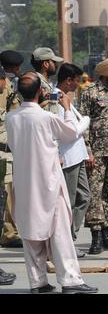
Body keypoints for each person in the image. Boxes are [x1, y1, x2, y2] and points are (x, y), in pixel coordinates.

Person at [6, 71, 97, 293]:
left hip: (24, 183)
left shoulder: (11, 117)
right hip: (48, 182)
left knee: (30, 233)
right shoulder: (46, 117)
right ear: (39, 91)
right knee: (60, 233)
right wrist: (68, 109)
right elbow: (72, 132)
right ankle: (70, 281)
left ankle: (38, 283)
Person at [79, 56, 108, 255]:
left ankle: (107, 232)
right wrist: (87, 151)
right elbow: (83, 123)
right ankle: (96, 237)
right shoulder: (90, 92)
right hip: (96, 153)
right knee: (95, 195)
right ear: (106, 73)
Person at [55, 63, 91, 258]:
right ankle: (65, 243)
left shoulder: (67, 98)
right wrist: (84, 122)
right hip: (67, 158)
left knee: (85, 197)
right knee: (67, 203)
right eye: (77, 81)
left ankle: (69, 237)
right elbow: (69, 132)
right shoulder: (57, 99)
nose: (78, 84)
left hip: (78, 155)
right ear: (69, 80)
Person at [0, 50, 24, 248]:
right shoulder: (5, 87)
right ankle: (8, 232)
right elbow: (12, 114)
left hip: (7, 146)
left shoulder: (8, 85)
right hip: (3, 148)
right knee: (6, 191)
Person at [30, 47, 63, 114]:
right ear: (45, 64)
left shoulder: (43, 82)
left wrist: (60, 96)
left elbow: (47, 97)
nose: (56, 65)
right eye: (53, 62)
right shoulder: (37, 82)